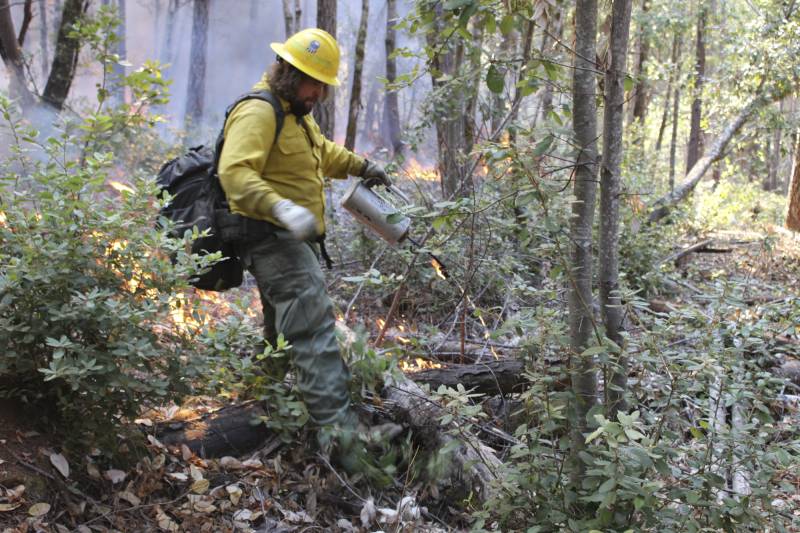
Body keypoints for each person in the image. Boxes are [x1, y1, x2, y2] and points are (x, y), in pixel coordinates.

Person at [217, 28, 391, 458]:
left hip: (289, 242)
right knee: (314, 333)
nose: (320, 93)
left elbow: (323, 154)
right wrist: (282, 208)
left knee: (280, 332)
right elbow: (234, 173)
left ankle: (264, 410)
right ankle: (345, 443)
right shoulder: (258, 113)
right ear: (289, 73)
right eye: (314, 83)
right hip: (273, 241)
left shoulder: (295, 112)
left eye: (323, 85)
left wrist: (362, 166)